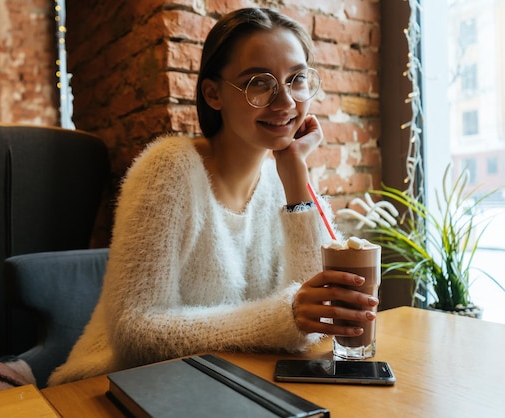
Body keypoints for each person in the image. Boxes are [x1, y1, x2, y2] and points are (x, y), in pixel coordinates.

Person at [47, 7, 379, 386]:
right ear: (213, 93)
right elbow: (135, 331)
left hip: (218, 384)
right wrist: (283, 318)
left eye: (297, 78)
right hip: (107, 387)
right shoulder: (168, 169)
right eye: (259, 82)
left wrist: (295, 175)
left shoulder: (281, 179)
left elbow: (316, 319)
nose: (285, 101)